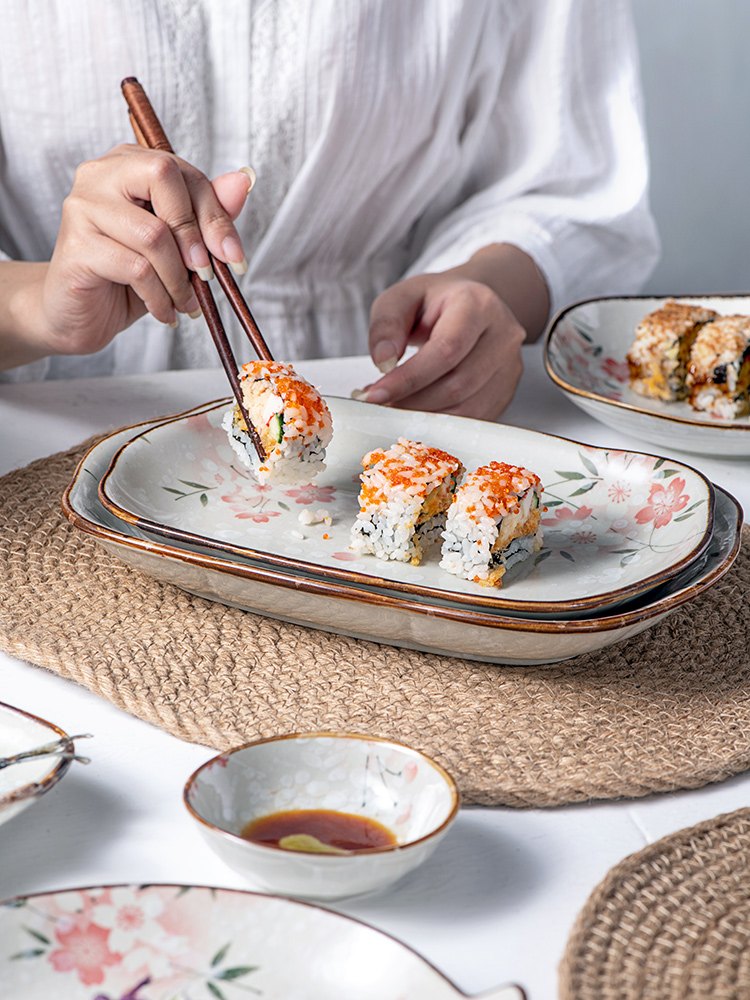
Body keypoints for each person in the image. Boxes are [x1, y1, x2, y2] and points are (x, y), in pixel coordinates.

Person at [0, 0, 659, 420]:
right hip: (45, 429)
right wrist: (36, 308)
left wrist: (485, 294)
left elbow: (570, 184)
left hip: (383, 406)